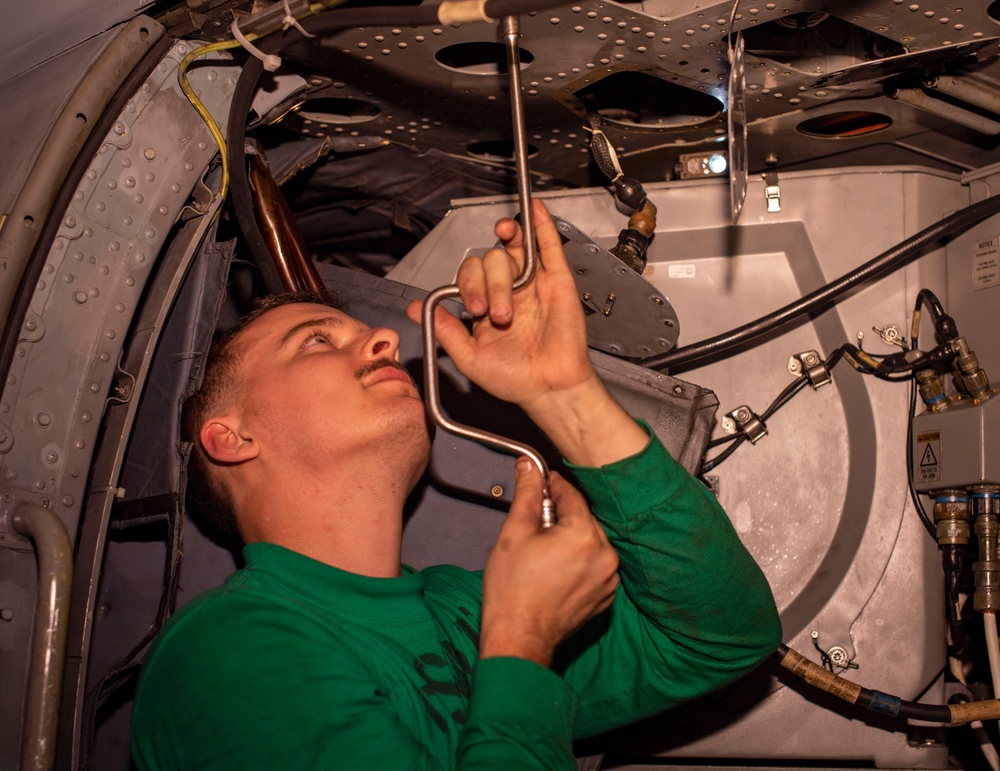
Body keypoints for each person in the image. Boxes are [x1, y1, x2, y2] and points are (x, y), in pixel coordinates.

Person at [131, 199, 781, 770]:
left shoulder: (460, 608)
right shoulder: (228, 654)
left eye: (364, 331)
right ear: (231, 437)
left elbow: (722, 637)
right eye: (315, 341)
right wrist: (523, 637)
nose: (386, 338)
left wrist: (564, 393)